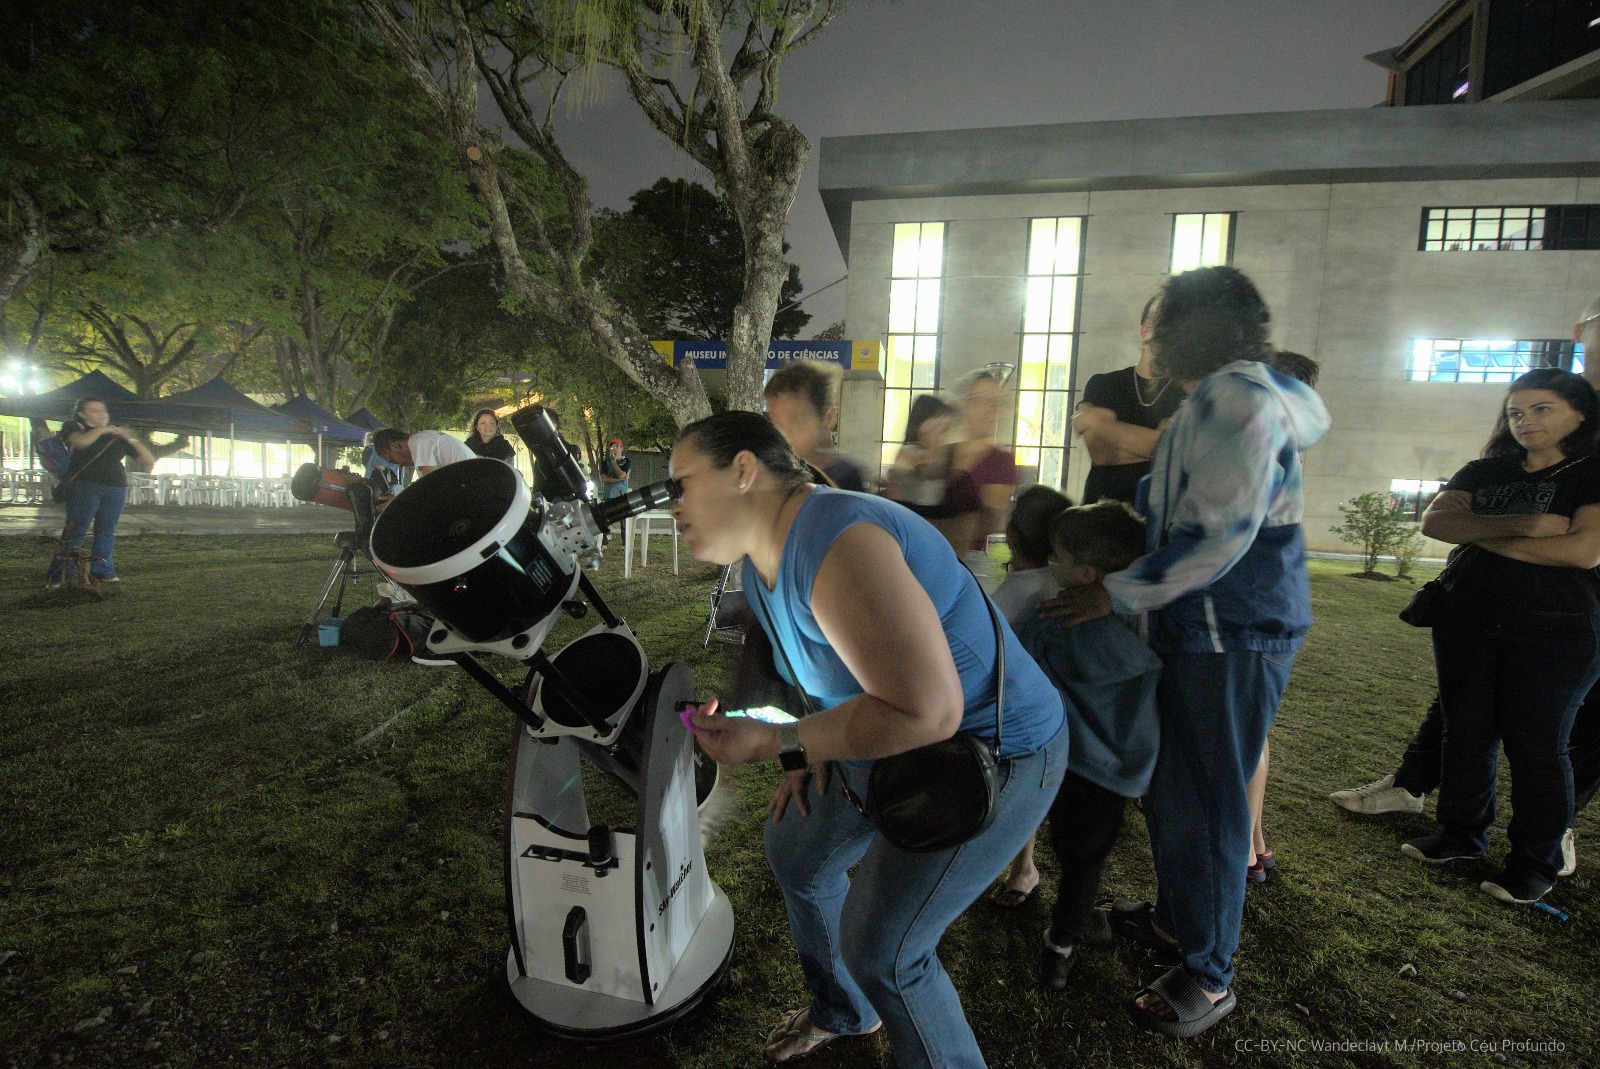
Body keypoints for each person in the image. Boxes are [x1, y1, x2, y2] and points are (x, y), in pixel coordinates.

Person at [676, 411, 1066, 1069]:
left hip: (988, 753)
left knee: (885, 948)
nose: (674, 506)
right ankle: (846, 1009)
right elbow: (827, 669)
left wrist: (783, 742)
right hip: (892, 737)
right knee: (798, 848)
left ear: (743, 471)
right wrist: (807, 746)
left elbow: (928, 710)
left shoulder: (839, 541)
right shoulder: (762, 561)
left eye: (682, 483)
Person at [1046, 266, 1329, 1038]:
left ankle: (1208, 974)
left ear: (1194, 327)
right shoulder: (1208, 399)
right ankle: (1176, 916)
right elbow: (1166, 509)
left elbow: (1217, 538)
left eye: (1160, 320)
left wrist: (1114, 592)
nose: (1148, 333)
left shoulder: (1238, 401)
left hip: (1230, 631)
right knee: (1176, 789)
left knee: (1205, 800)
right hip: (1195, 627)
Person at [1399, 368, 1600, 906]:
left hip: (1555, 628)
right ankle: (1459, 836)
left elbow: (1583, 552)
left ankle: (1536, 863)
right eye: (1516, 412)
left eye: (1542, 409)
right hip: (1466, 616)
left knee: (1538, 746)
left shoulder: (1592, 472)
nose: (1525, 421)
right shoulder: (1486, 467)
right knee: (1465, 732)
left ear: (1579, 413)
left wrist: (1484, 531)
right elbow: (1436, 523)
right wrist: (1531, 527)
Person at [1019, 500, 1162, 990]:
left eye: (1058, 557)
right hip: (1116, 771)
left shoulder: (1050, 618)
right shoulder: (1148, 630)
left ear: (1085, 572)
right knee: (1087, 862)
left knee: (1060, 842)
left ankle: (1037, 900)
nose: (1052, 565)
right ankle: (1061, 947)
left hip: (1062, 761)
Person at [1244, 349, 1322, 883]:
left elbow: (1225, 540)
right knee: (1253, 732)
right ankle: (1254, 842)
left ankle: (1244, 854)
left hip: (1250, 615)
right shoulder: (1286, 442)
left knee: (1241, 735)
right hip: (1270, 613)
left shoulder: (1261, 446)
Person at [985, 486, 1072, 910]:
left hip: (1021, 715)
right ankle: (1023, 869)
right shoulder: (1063, 582)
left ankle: (1023, 868)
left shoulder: (1014, 595)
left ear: (1014, 537)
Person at [1073, 294, 1185, 505]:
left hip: (1158, 516)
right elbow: (1102, 455)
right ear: (1145, 332)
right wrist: (1154, 442)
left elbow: (1166, 449)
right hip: (1102, 514)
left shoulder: (1186, 391)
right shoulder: (1104, 384)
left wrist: (1097, 423)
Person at [48, 397, 156, 586]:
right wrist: (104, 429)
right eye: (94, 410)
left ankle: (102, 571)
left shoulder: (115, 437)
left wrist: (129, 437)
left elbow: (147, 458)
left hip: (115, 486)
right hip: (85, 485)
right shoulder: (74, 428)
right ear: (82, 414)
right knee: (76, 530)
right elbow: (80, 443)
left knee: (106, 531)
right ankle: (60, 574)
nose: (101, 414)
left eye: (103, 410)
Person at [933, 367, 1018, 589]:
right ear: (963, 404)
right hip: (930, 556)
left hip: (969, 565)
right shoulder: (942, 453)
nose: (988, 409)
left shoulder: (1001, 461)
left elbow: (987, 521)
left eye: (995, 402)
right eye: (979, 400)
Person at [764, 361, 867, 492]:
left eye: (795, 418)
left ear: (828, 417)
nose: (783, 433)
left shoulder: (847, 477)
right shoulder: (775, 475)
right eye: (775, 422)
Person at [885, 393, 954, 511]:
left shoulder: (935, 453)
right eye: (937, 423)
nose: (941, 432)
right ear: (922, 422)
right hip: (914, 516)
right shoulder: (910, 453)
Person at [372, 426, 475, 477]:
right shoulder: (423, 437)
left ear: (394, 446)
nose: (399, 465)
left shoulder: (417, 443)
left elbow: (429, 486)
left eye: (392, 460)